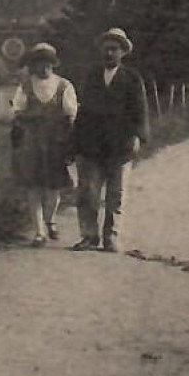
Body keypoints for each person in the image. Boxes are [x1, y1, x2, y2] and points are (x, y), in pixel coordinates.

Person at [71, 28, 151, 253]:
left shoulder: (132, 78)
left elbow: (140, 110)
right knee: (88, 193)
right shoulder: (92, 76)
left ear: (123, 52)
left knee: (116, 195)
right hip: (92, 145)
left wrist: (138, 136)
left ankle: (111, 238)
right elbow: (83, 111)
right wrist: (77, 141)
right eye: (106, 49)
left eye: (114, 49)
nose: (109, 53)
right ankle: (88, 236)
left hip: (120, 144)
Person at [9, 42, 77, 247]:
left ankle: (50, 218)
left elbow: (71, 115)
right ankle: (39, 232)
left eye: (47, 63)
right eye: (39, 63)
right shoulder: (25, 86)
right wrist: (20, 130)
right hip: (31, 143)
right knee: (32, 186)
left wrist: (71, 142)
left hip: (56, 143)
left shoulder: (64, 86)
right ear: (33, 65)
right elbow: (17, 113)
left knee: (53, 187)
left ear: (53, 64)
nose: (43, 67)